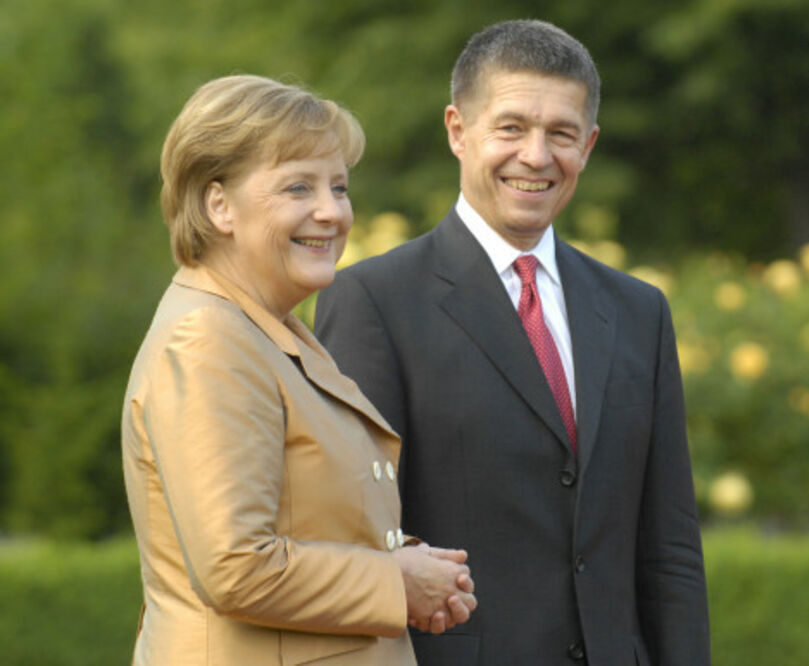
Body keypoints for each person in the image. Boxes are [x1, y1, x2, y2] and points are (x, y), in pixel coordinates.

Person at [315, 19, 710, 666]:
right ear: (457, 131)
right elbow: (352, 536)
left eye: (561, 134)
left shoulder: (640, 311)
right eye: (511, 128)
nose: (536, 155)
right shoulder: (374, 302)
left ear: (589, 146)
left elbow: (669, 550)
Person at [121, 74, 477, 666]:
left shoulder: (268, 328)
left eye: (338, 186)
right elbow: (236, 567)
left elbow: (308, 513)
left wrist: (415, 565)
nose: (331, 211)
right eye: (297, 188)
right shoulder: (208, 339)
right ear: (219, 206)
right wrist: (395, 582)